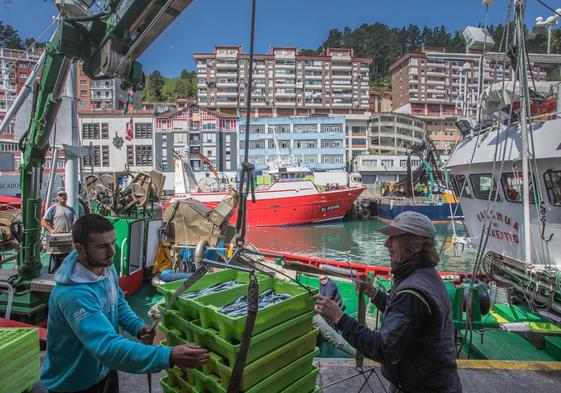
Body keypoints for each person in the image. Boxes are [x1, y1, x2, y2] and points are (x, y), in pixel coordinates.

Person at [41, 214, 209, 393]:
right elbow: (107, 347)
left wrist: (137, 327)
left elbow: (117, 302)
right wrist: (168, 356)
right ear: (79, 248)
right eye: (102, 246)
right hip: (74, 383)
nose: (112, 252)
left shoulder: (105, 267)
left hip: (105, 370)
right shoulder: (73, 296)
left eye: (113, 243)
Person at [315, 211, 461, 393]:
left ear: (416, 245)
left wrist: (339, 317)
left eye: (394, 238)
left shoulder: (412, 292)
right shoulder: (425, 276)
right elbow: (407, 318)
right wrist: (373, 293)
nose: (386, 244)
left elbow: (384, 349)